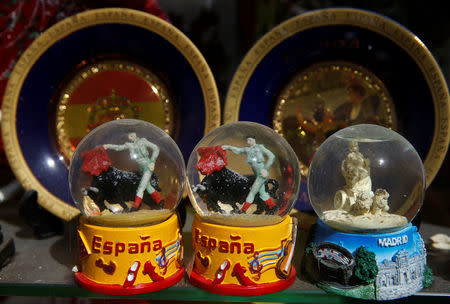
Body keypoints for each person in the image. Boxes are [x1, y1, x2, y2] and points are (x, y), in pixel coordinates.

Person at [103, 132, 162, 209]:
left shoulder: (142, 141)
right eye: (129, 136)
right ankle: (160, 201)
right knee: (148, 187)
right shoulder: (129, 145)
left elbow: (156, 148)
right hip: (140, 168)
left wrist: (152, 161)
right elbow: (119, 147)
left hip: (147, 166)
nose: (130, 138)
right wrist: (109, 146)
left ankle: (135, 206)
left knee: (141, 187)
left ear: (135, 134)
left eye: (132, 135)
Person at [222, 136, 276, 213]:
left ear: (254, 140)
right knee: (262, 193)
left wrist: (265, 168)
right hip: (257, 173)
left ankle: (243, 210)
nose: (248, 142)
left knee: (252, 191)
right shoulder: (247, 149)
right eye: (247, 140)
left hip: (262, 173)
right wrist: (228, 147)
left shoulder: (260, 147)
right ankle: (272, 207)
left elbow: (271, 156)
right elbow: (238, 150)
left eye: (250, 140)